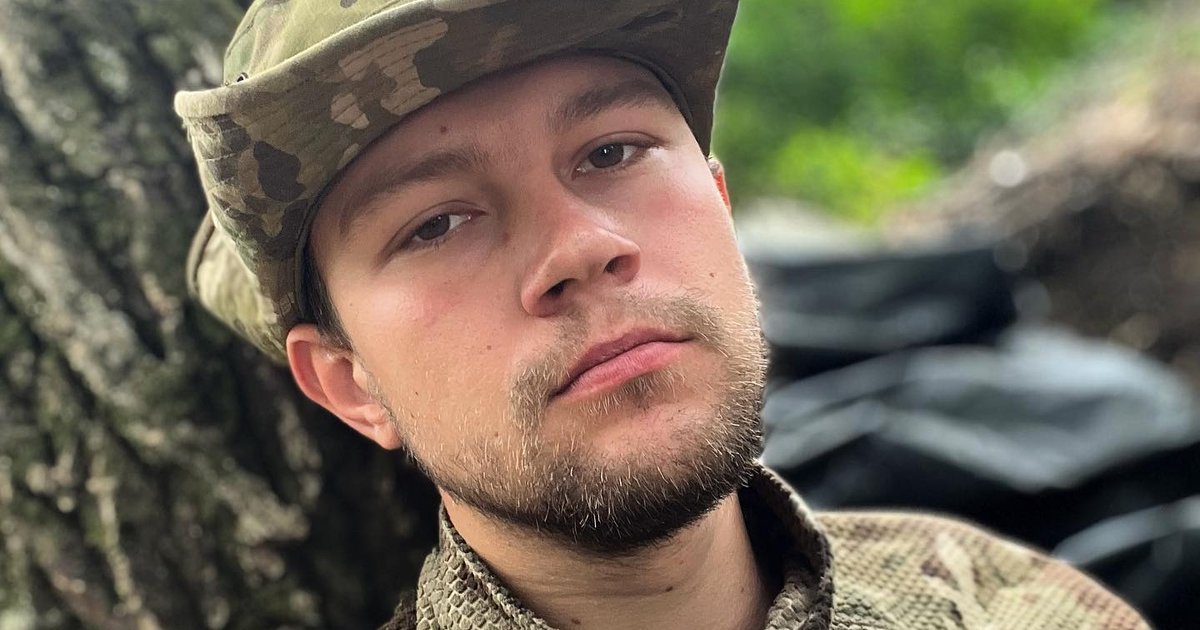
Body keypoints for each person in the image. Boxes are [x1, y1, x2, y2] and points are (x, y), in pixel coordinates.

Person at [175, 1, 1151, 628]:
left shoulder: (1017, 608)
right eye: (436, 223)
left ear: (721, 207)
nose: (580, 247)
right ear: (349, 385)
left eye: (612, 153)